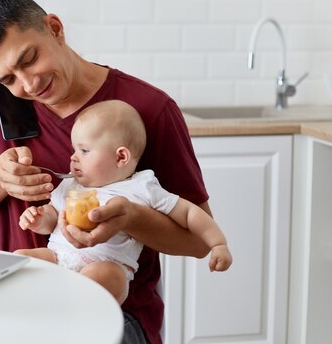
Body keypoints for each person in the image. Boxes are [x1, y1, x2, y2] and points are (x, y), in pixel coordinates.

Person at [0, 0, 212, 344]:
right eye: (8, 79)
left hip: (114, 315)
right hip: (24, 311)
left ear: (55, 29)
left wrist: (132, 218)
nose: (27, 84)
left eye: (29, 59)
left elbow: (200, 241)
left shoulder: (148, 109)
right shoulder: (4, 97)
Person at [14, 100, 232, 305]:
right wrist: (39, 218)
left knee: (104, 277)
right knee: (20, 259)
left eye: (84, 150)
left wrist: (217, 243)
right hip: (58, 257)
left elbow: (188, 213)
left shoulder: (141, 187)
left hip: (105, 265)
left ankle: (68, 310)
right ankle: (44, 306)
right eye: (74, 150)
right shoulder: (72, 185)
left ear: (121, 157)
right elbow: (53, 218)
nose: (73, 157)